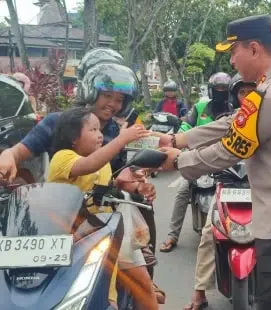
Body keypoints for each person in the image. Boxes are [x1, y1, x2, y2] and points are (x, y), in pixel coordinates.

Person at [156, 15, 271, 310]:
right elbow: (233, 122)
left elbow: (231, 149)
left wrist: (179, 162)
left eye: (233, 52)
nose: (232, 62)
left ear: (254, 49)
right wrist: (180, 141)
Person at [0, 48, 165, 303]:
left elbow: (119, 174)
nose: (113, 104)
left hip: (103, 223)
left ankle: (146, 270)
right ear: (89, 88)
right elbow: (19, 151)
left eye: (119, 99)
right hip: (57, 224)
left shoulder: (115, 130)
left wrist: (136, 183)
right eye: (106, 95)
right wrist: (7, 157)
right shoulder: (59, 122)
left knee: (141, 283)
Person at [48, 107, 155, 309]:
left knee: (143, 285)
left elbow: (108, 187)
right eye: (93, 129)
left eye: (100, 130)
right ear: (73, 137)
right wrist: (122, 139)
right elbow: (88, 165)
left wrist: (136, 186)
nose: (100, 135)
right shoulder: (62, 158)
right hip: (72, 238)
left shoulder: (102, 161)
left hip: (106, 234)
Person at [158, 73, 256, 253]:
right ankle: (172, 235)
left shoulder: (237, 109)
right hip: (200, 155)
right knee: (183, 190)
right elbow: (187, 125)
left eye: (223, 90)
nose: (220, 92)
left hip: (230, 159)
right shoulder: (201, 106)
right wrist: (178, 138)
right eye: (217, 89)